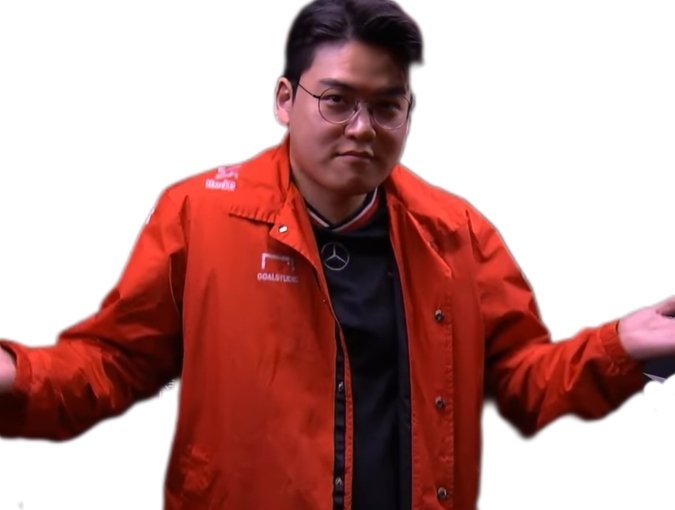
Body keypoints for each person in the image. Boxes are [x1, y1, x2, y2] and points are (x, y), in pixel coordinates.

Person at [1, 0, 674, 508]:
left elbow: (523, 377)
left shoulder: (455, 234)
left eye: (386, 107)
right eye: (336, 101)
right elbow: (114, 361)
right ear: (284, 100)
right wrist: (15, 377)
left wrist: (620, 347)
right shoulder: (200, 216)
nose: (362, 128)